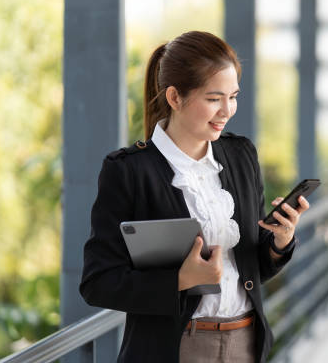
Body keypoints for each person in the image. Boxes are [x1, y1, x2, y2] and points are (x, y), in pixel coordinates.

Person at [79, 31, 310, 362]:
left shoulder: (241, 155)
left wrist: (279, 242)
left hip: (245, 343)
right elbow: (97, 282)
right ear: (175, 97)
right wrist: (180, 280)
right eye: (214, 99)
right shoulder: (129, 171)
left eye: (233, 96)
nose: (227, 110)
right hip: (174, 350)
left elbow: (252, 266)